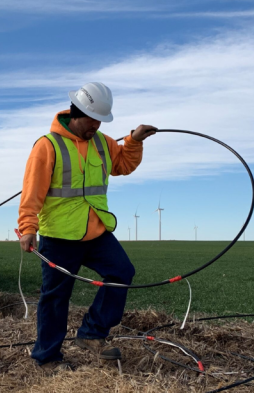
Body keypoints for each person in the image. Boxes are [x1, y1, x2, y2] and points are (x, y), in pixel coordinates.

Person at [18, 82, 157, 372]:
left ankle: (92, 333)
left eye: (100, 121)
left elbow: (122, 165)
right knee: (55, 298)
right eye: (92, 119)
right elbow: (32, 191)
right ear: (75, 113)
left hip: (96, 230)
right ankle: (46, 358)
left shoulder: (103, 142)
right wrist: (28, 226)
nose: (96, 125)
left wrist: (134, 141)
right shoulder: (48, 145)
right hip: (59, 235)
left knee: (121, 272)